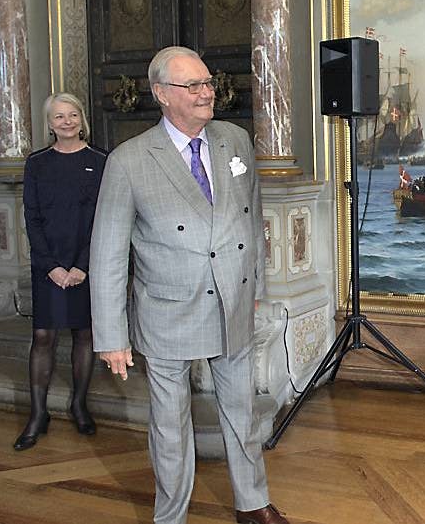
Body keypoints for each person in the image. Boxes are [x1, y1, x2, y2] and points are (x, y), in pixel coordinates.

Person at [89, 46, 287, 524]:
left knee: (241, 413)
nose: (207, 93)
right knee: (171, 426)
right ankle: (171, 516)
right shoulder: (130, 160)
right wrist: (112, 336)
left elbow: (251, 218)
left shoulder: (235, 140)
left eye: (207, 83)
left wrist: (255, 286)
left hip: (234, 301)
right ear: (161, 94)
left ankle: (253, 504)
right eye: (192, 86)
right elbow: (108, 253)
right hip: (167, 310)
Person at [17, 92, 107, 450]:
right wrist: (51, 266)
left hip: (87, 263)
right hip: (47, 265)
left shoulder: (101, 160)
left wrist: (82, 266)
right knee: (43, 337)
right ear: (49, 124)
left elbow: (105, 218)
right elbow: (32, 219)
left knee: (84, 335)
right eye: (58, 117)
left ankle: (79, 404)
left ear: (81, 119)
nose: (66, 122)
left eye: (72, 115)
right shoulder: (36, 163)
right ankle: (38, 414)